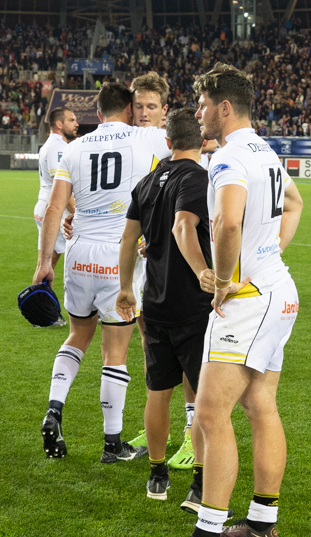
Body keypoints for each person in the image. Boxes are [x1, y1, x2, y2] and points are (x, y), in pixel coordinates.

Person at [191, 63, 305, 537]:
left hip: (251, 299)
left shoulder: (229, 157)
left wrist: (222, 280)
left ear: (224, 107)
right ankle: (262, 524)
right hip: (278, 291)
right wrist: (269, 252)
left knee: (209, 412)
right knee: (261, 405)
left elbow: (228, 222)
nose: (198, 113)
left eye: (202, 105)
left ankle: (208, 528)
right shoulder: (266, 151)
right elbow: (295, 203)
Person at [33, 81, 171, 463]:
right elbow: (194, 145)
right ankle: (113, 444)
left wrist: (44, 262)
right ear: (129, 111)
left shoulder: (75, 147)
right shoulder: (147, 139)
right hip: (118, 255)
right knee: (115, 352)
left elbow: (55, 208)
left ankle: (54, 409)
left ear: (97, 114)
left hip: (78, 254)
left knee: (77, 335)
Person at [116, 109, 214, 506]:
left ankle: (157, 476)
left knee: (158, 392)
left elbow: (128, 240)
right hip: (192, 304)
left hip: (153, 304)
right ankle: (200, 484)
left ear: (168, 142)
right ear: (202, 142)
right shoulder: (199, 178)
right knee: (205, 397)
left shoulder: (146, 182)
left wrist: (125, 289)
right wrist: (203, 271)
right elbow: (183, 226)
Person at [125, 72, 198, 471]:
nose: (143, 112)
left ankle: (190, 431)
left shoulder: (171, 146)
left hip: (173, 263)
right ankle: (160, 430)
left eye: (151, 106)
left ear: (164, 111)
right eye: (138, 106)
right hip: (144, 263)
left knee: (187, 353)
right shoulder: (131, 144)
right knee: (150, 345)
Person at [35, 107, 79, 309]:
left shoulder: (52, 144)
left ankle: (41, 309)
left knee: (46, 263)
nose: (76, 124)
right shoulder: (58, 147)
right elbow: (60, 187)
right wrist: (78, 211)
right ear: (59, 124)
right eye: (71, 120)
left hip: (45, 207)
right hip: (57, 212)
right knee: (57, 263)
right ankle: (44, 310)